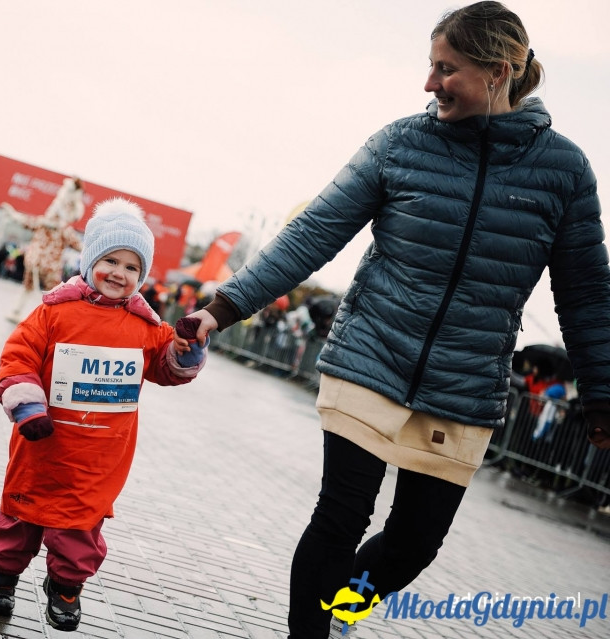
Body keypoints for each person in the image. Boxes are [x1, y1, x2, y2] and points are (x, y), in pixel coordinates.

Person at [183, 3, 610, 638]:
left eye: (447, 68)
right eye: (430, 66)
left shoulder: (564, 172)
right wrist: (221, 309)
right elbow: (312, 234)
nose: (430, 83)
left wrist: (601, 395)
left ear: (497, 72)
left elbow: (586, 294)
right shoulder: (400, 143)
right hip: (370, 356)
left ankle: (339, 612)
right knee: (341, 515)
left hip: (465, 383)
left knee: (413, 545)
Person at [0, 198, 208, 632]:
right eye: (110, 260)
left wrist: (186, 351)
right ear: (89, 261)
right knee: (20, 519)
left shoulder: (148, 327)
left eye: (132, 268)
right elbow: (18, 355)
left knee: (80, 528)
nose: (120, 274)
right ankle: (2, 576)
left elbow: (166, 369)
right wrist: (28, 405)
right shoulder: (54, 312)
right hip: (43, 445)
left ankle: (66, 586)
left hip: (100, 456)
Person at [2, 176, 85, 322]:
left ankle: (40, 316)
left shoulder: (57, 227)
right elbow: (79, 246)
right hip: (44, 264)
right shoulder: (54, 227)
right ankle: (39, 316)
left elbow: (78, 245)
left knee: (46, 290)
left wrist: (13, 215)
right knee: (48, 290)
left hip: (41, 263)